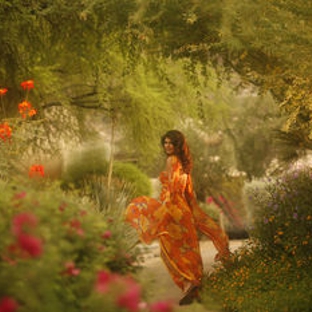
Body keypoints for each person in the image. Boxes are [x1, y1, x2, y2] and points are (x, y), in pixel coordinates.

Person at [125, 130, 230, 305]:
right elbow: (189, 194)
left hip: (172, 208)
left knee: (168, 250)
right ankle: (194, 283)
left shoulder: (172, 161)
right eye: (165, 143)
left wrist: (161, 210)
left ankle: (189, 284)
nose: (167, 146)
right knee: (188, 247)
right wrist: (192, 213)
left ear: (177, 145)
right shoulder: (185, 165)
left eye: (170, 143)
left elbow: (173, 189)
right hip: (184, 212)